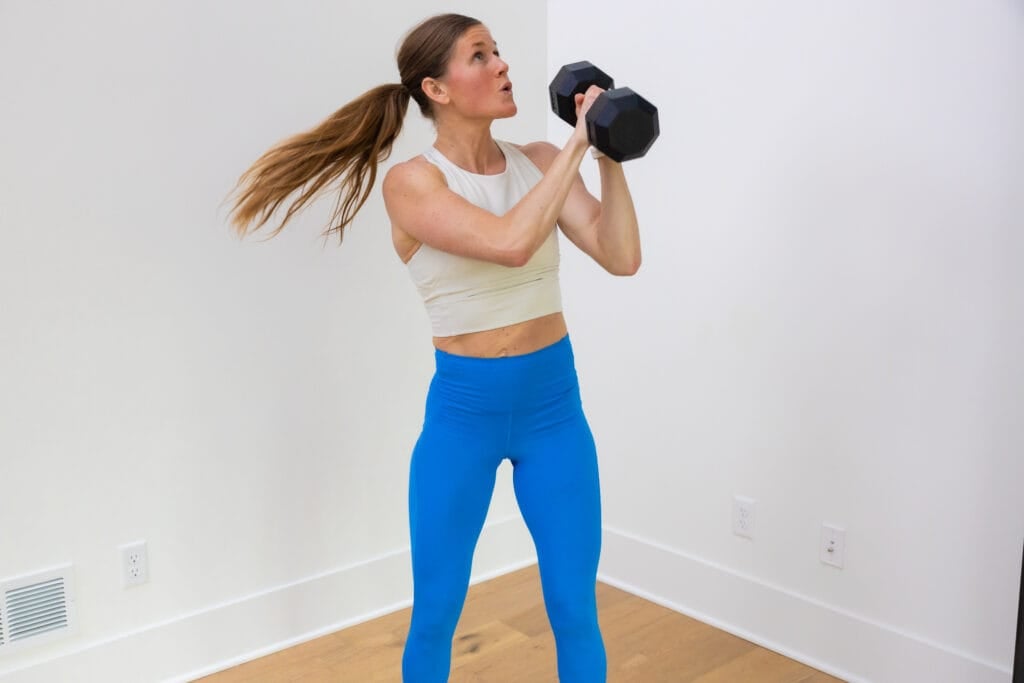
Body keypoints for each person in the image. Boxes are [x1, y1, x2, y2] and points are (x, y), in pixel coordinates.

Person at [228, 12, 641, 682]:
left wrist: (608, 158)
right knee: (437, 612)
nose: (503, 65)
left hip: (556, 415)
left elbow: (621, 257)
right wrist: (577, 146)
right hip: (462, 422)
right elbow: (510, 244)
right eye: (481, 56)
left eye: (499, 51)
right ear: (437, 89)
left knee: (574, 606)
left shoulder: (538, 160)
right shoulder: (412, 184)